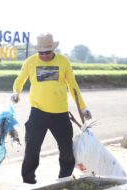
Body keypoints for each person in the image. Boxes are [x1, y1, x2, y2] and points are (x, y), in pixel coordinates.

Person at [10, 32, 92, 184]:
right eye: (41, 53)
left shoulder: (63, 61)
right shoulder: (30, 62)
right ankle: (28, 180)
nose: (45, 56)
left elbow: (73, 86)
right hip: (38, 112)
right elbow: (19, 80)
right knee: (32, 148)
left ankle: (65, 178)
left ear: (53, 49)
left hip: (60, 113)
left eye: (48, 52)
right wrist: (16, 93)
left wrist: (83, 108)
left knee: (66, 149)